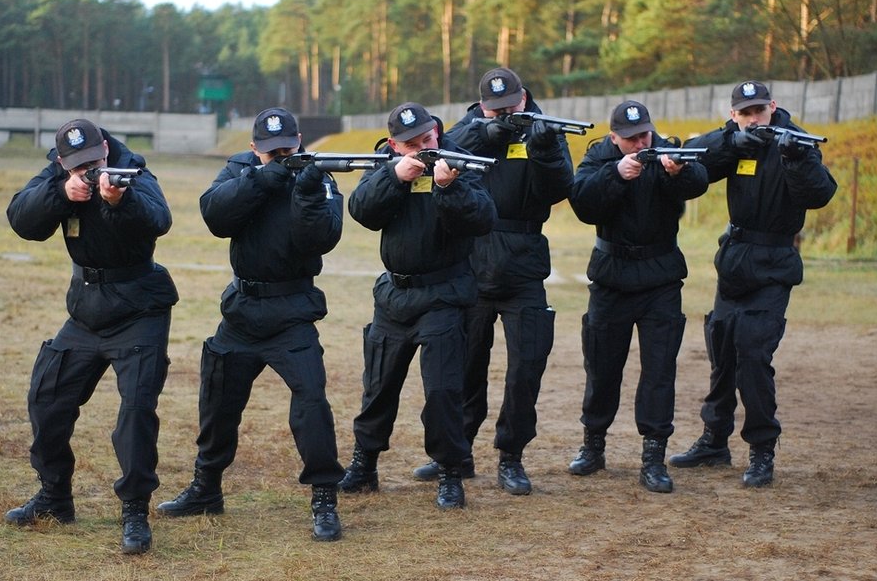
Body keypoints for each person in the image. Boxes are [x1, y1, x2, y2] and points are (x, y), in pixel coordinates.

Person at [154, 108, 347, 541]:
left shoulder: (318, 177)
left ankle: (324, 497)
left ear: (299, 141)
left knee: (311, 402)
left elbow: (321, 239)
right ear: (253, 148)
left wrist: (308, 191)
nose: (280, 156)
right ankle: (207, 488)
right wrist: (262, 179)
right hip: (242, 310)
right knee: (218, 402)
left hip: (292, 309)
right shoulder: (239, 170)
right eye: (270, 151)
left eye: (287, 149)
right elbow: (215, 217)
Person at [5, 118, 179, 554]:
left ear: (106, 147)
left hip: (139, 307)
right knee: (47, 397)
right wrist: (61, 194)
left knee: (136, 412)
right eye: (77, 165)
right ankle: (55, 495)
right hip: (85, 311)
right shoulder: (58, 177)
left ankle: (135, 510)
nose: (89, 169)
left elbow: (160, 219)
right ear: (63, 161)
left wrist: (119, 201)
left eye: (95, 160)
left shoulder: (131, 170)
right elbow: (21, 218)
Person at [407, 68, 574, 495]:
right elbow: (450, 148)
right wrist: (491, 134)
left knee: (525, 368)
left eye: (511, 107)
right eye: (495, 109)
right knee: (464, 367)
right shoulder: (467, 130)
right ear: (482, 107)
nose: (505, 113)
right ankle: (455, 455)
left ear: (524, 98)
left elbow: (561, 188)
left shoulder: (545, 129)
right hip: (472, 260)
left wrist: (544, 149)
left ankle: (511, 456)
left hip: (524, 261)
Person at [671, 81, 837, 487]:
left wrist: (796, 158)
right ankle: (714, 440)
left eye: (759, 111)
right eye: (744, 113)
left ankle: (762, 449)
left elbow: (821, 193)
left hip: (775, 263)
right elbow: (695, 166)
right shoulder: (736, 139)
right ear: (734, 115)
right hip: (735, 259)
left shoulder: (795, 141)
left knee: (752, 353)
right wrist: (733, 142)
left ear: (773, 107)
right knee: (722, 348)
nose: (754, 118)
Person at [339, 102, 497, 509]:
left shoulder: (459, 161)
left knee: (444, 390)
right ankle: (364, 464)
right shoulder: (386, 163)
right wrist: (394, 177)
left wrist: (449, 187)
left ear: (436, 132)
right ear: (395, 144)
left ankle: (449, 472)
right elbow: (361, 211)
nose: (423, 148)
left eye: (427, 139)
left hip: (444, 292)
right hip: (395, 294)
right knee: (378, 385)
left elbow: (483, 219)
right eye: (411, 144)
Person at [566, 101, 709, 493]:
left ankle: (653, 457)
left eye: (643, 134)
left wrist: (676, 171)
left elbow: (699, 180)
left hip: (660, 278)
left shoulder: (666, 151)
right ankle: (593, 446)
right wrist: (615, 175)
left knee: (659, 370)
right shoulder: (600, 155)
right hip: (611, 277)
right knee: (601, 366)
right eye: (630, 138)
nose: (639, 142)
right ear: (614, 137)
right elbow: (580, 201)